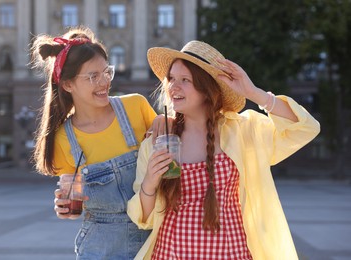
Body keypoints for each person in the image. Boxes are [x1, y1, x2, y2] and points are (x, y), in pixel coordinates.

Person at [127, 40, 320, 260]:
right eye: (171, 78)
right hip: (170, 254)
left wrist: (254, 93)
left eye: (184, 80)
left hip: (231, 253)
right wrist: (150, 183)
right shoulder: (158, 141)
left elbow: (305, 128)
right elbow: (143, 219)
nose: (173, 87)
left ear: (206, 89)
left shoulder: (241, 131)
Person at [30, 26, 167, 259]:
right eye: (93, 76)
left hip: (156, 241)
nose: (104, 82)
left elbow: (169, 153)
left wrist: (166, 121)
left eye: (106, 72)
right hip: (100, 249)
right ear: (67, 84)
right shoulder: (64, 139)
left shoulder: (136, 107)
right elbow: (78, 200)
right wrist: (66, 208)